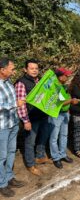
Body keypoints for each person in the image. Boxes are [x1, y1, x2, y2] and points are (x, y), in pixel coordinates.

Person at [15, 59, 51, 176]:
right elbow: (21, 104)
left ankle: (40, 156)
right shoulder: (21, 83)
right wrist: (25, 121)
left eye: (36, 68)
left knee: (43, 137)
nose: (35, 70)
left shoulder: (40, 81)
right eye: (32, 68)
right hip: (31, 118)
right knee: (30, 142)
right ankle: (31, 164)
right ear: (25, 69)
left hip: (43, 115)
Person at [0, 58, 25, 198]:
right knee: (1, 156)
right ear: (2, 70)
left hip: (13, 123)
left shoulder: (8, 81)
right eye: (12, 69)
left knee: (11, 152)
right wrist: (16, 104)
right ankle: (2, 184)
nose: (14, 71)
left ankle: (9, 177)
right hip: (2, 127)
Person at [48, 68, 79, 169]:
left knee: (64, 135)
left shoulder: (63, 86)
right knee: (54, 137)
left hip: (65, 113)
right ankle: (56, 157)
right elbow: (58, 102)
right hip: (56, 114)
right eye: (66, 76)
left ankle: (62, 154)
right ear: (60, 76)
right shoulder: (54, 86)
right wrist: (71, 101)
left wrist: (69, 102)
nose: (68, 77)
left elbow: (65, 98)